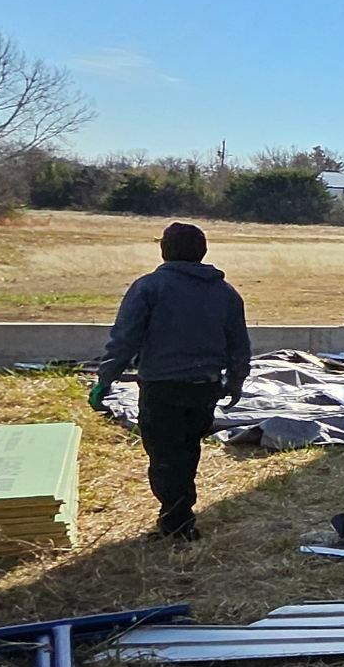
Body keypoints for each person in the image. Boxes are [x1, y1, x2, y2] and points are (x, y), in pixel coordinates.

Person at [91, 222, 250, 541]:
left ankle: (177, 522)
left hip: (162, 387)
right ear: (202, 252)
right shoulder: (225, 292)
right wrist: (235, 382)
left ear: (165, 250)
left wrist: (104, 381)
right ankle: (178, 514)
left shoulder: (149, 287)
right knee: (188, 450)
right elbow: (238, 344)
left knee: (164, 455)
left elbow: (124, 340)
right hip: (205, 387)